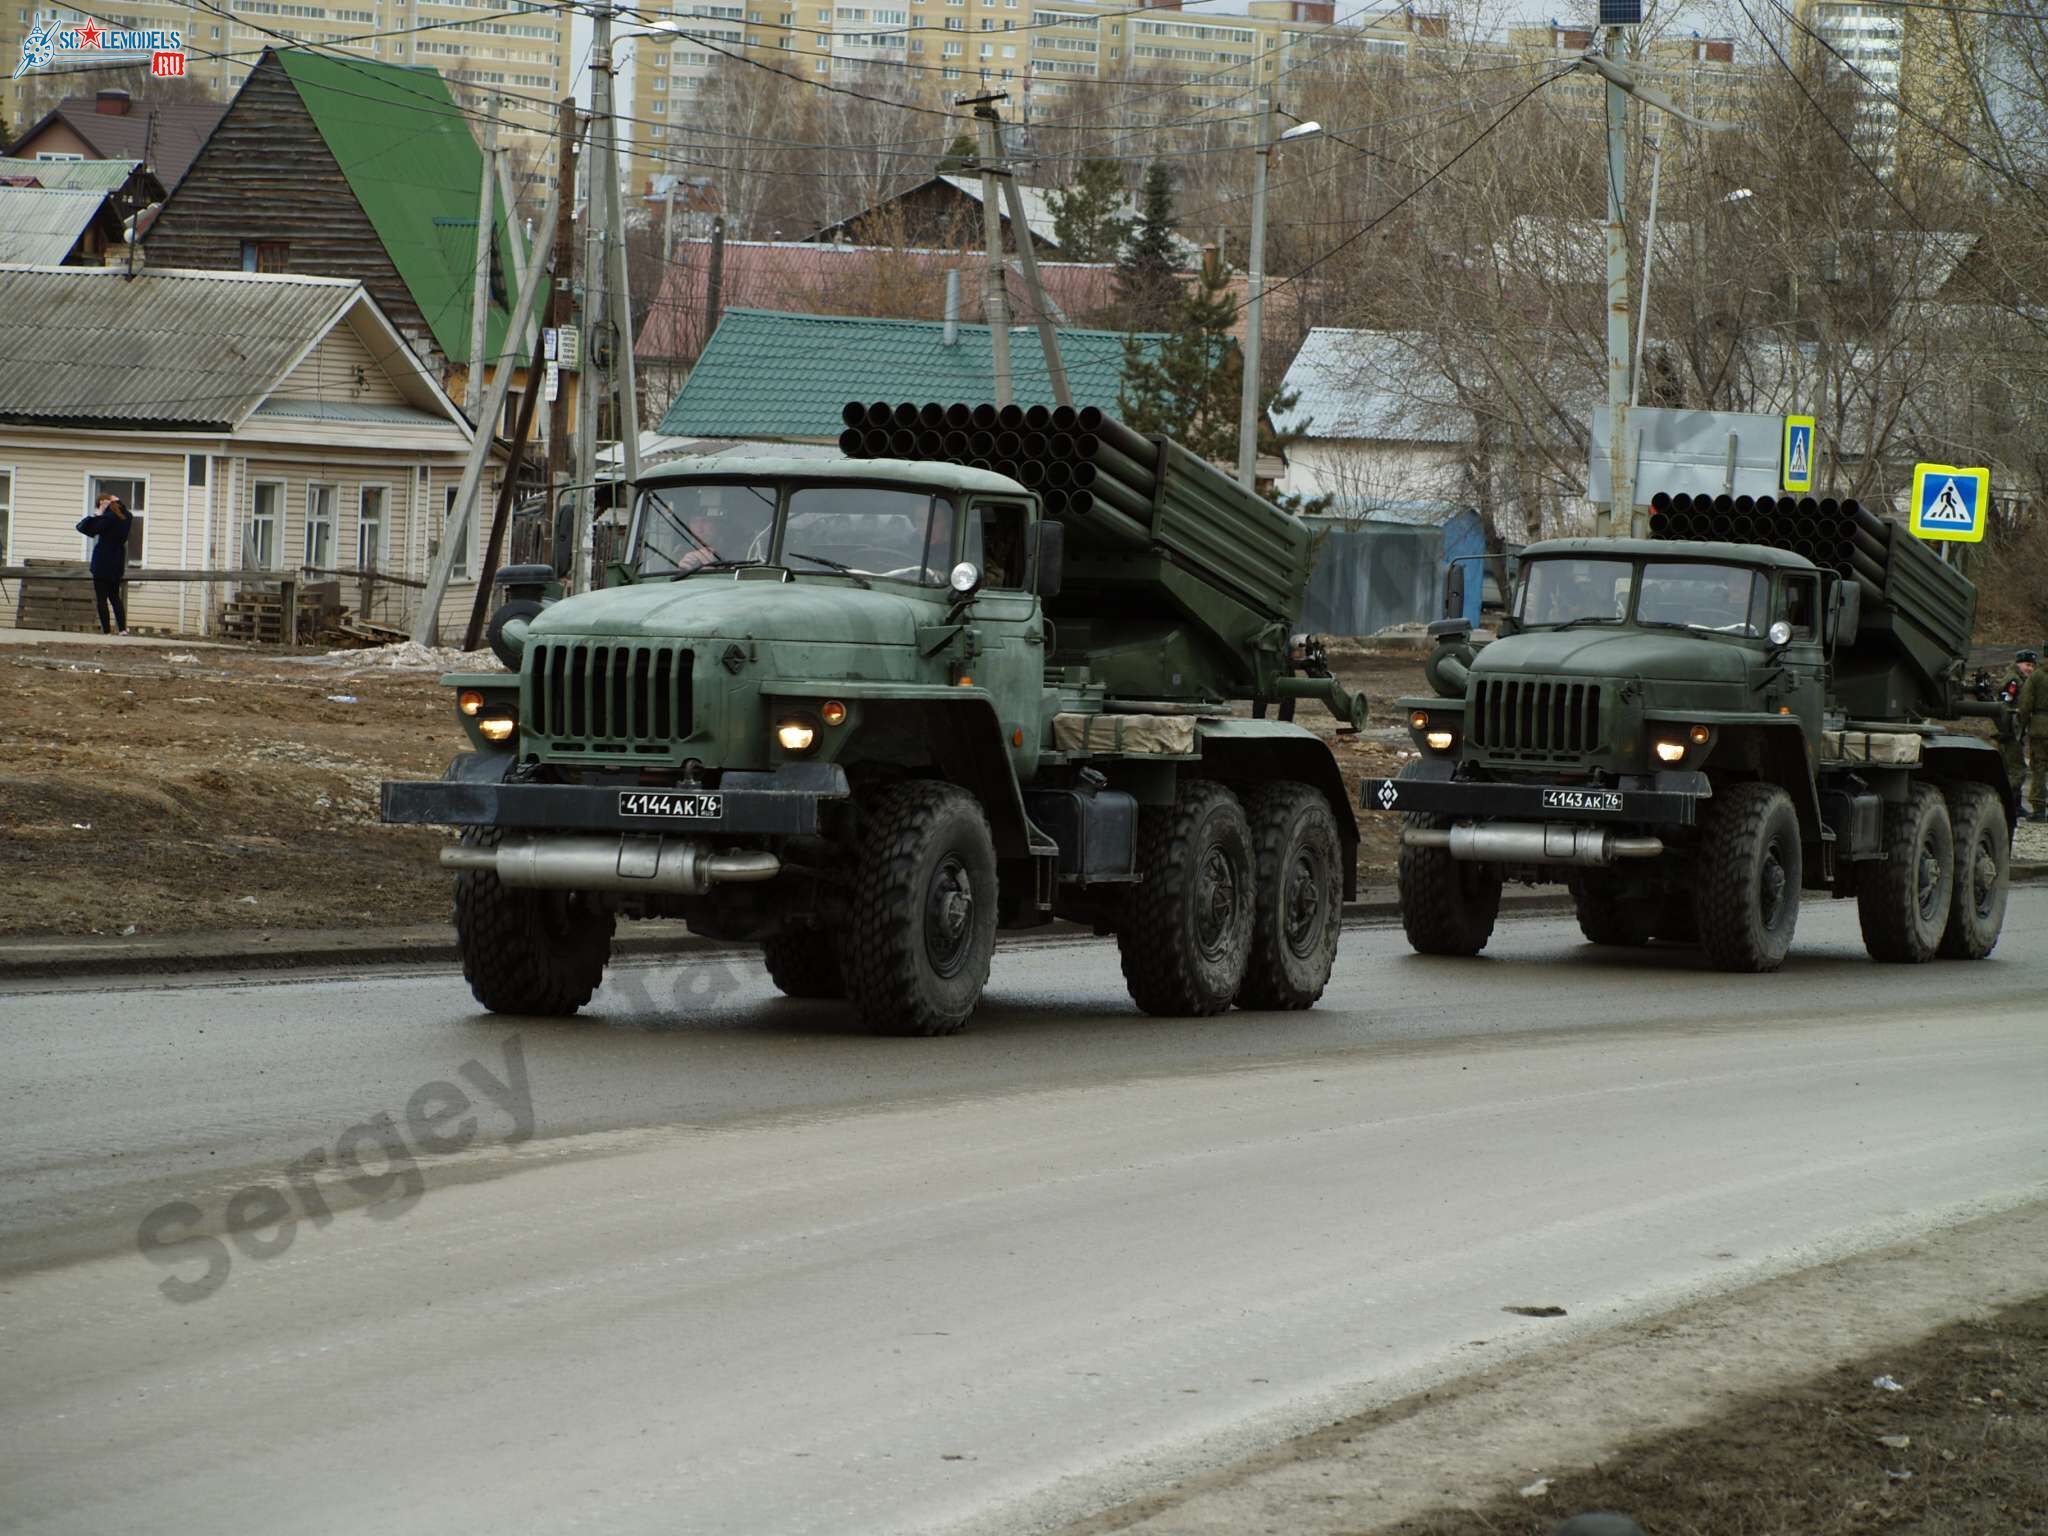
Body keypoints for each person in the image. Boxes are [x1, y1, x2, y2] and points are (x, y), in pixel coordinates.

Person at [75, 492, 132, 634]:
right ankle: (123, 629)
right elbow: (124, 511)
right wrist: (118, 501)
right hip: (117, 560)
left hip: (102, 560)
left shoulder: (106, 519)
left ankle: (106, 630)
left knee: (101, 598)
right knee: (115, 597)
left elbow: (83, 527)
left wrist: (98, 513)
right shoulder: (127, 517)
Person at [1998, 650, 2033, 807]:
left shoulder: (2020, 679)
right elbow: (2005, 705)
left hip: (2014, 730)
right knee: (2017, 769)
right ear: (2019, 664)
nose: (2030, 668)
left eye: (2032, 666)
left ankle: (2012, 804)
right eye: (2027, 665)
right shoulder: (2014, 681)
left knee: (2010, 768)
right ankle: (2012, 805)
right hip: (2011, 731)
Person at [2017, 645, 2048, 820]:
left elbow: (2025, 704)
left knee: (2039, 768)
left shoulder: (2036, 676)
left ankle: (2039, 810)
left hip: (2040, 728)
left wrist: (2021, 727)